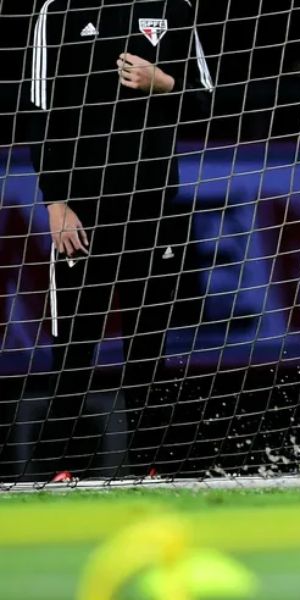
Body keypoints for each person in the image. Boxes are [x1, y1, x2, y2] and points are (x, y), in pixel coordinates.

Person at [27, 0, 213, 478]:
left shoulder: (176, 9)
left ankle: (154, 470)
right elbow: (37, 107)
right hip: (81, 210)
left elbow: (209, 101)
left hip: (154, 206)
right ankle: (58, 471)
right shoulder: (58, 10)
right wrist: (55, 201)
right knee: (71, 347)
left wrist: (164, 82)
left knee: (150, 345)